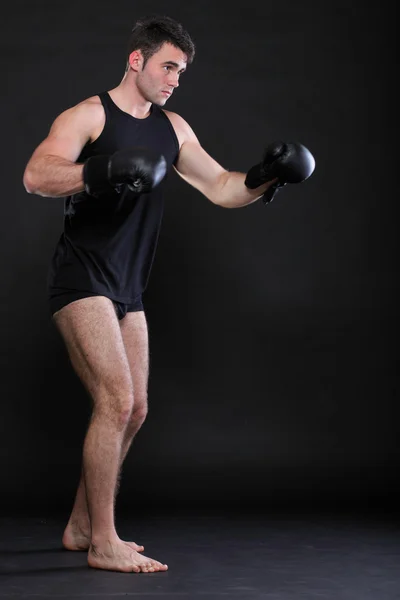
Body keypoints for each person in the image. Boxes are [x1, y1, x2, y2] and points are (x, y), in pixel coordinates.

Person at [22, 15, 315, 574]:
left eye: (181, 70)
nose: (176, 79)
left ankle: (81, 525)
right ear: (137, 61)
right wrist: (100, 170)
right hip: (82, 278)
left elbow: (222, 187)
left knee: (137, 409)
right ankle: (104, 542)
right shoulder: (88, 115)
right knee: (117, 400)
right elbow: (36, 175)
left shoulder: (173, 128)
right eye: (168, 67)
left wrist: (268, 175)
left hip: (128, 285)